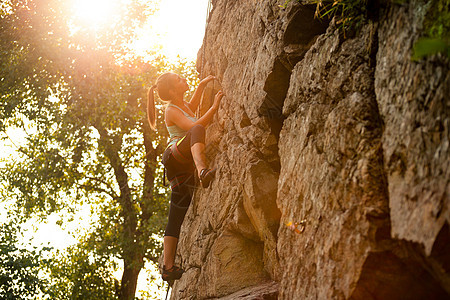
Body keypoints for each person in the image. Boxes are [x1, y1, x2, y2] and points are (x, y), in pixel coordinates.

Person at [147, 72, 224, 281]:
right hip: (175, 156)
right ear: (172, 91)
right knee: (198, 128)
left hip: (179, 168)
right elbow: (194, 127)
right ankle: (202, 170)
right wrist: (215, 107)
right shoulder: (171, 110)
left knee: (176, 214)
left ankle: (168, 267)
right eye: (179, 79)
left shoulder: (183, 105)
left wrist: (201, 85)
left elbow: (192, 104)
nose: (184, 79)